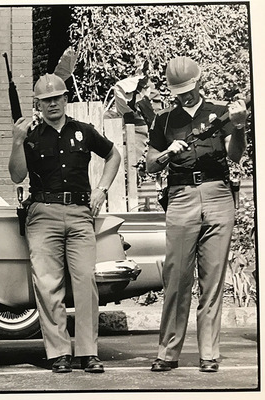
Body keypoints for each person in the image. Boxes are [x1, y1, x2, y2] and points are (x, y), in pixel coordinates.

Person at [8, 73, 121, 374]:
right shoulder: (30, 136)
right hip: (43, 212)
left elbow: (113, 155)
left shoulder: (83, 131)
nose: (52, 104)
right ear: (38, 104)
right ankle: (58, 352)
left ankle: (88, 352)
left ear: (65, 99)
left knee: (86, 282)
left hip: (80, 211)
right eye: (46, 100)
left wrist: (102, 189)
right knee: (48, 285)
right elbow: (17, 175)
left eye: (57, 98)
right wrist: (17, 141)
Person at [146, 56, 248, 373]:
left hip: (218, 194)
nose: (185, 96)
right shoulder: (163, 121)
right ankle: (168, 352)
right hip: (180, 196)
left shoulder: (219, 113)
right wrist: (167, 153)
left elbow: (234, 154)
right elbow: (150, 165)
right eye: (179, 91)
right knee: (176, 277)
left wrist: (241, 126)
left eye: (189, 89)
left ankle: (209, 353)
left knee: (212, 279)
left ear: (199, 82)